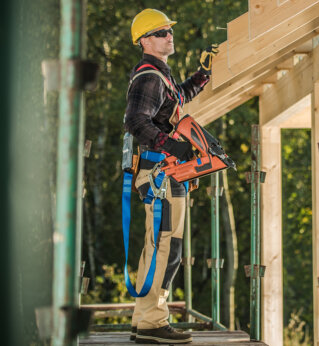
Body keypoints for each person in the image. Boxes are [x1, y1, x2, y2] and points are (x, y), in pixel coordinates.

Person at [124, 8, 217, 344]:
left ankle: (144, 318)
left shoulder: (159, 76)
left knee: (160, 247)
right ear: (145, 40)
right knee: (167, 248)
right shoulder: (148, 77)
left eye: (169, 31)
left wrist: (202, 75)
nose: (169, 36)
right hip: (161, 173)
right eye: (162, 32)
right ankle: (152, 323)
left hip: (164, 173)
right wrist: (174, 148)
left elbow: (177, 99)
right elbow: (136, 122)